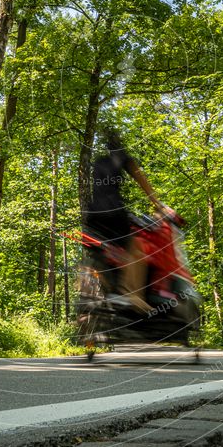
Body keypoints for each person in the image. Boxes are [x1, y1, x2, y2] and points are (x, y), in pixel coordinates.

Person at [86, 128, 163, 313]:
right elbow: (141, 180)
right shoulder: (124, 158)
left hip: (92, 216)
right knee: (137, 251)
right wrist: (158, 204)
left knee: (104, 253)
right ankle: (131, 294)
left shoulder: (99, 161)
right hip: (114, 214)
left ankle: (105, 291)